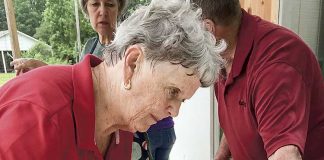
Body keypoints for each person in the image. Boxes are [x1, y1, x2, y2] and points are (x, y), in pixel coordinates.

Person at [0, 0, 225, 159]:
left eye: (182, 100)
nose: (175, 112)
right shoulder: (36, 118)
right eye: (172, 92)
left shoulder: (122, 127)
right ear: (132, 63)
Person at [192, 0, 324, 160]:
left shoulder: (275, 66)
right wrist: (221, 155)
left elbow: (286, 155)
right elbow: (239, 115)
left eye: (190, 30)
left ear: (208, 29)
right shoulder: (223, 53)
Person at [10, 0, 128, 73]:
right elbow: (74, 78)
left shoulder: (129, 45)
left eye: (110, 4)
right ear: (86, 9)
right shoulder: (90, 45)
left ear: (118, 10)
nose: (103, 11)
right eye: (95, 4)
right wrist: (40, 67)